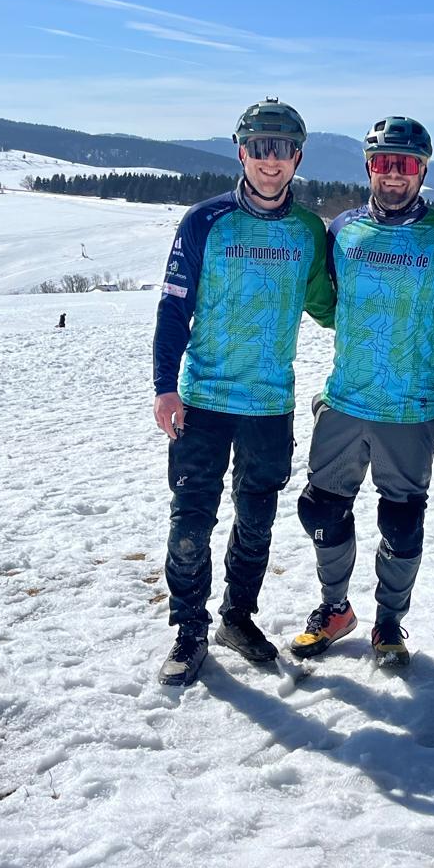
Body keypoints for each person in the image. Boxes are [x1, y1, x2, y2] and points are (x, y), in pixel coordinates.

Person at [152, 99, 336, 687]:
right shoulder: (204, 221)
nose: (270, 161)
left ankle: (237, 616)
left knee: (256, 519)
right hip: (203, 400)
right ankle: (188, 628)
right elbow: (174, 306)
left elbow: (328, 305)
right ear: (242, 152)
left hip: (269, 406)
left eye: (282, 149)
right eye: (260, 147)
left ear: (298, 157)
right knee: (191, 519)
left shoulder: (308, 231)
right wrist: (164, 388)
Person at [290, 117, 434, 668]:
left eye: (407, 165)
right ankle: (335, 609)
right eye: (384, 163)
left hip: (411, 410)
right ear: (369, 166)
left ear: (423, 170)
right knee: (321, 510)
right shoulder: (342, 229)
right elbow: (324, 302)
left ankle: (389, 623)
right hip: (345, 400)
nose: (394, 176)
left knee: (401, 521)